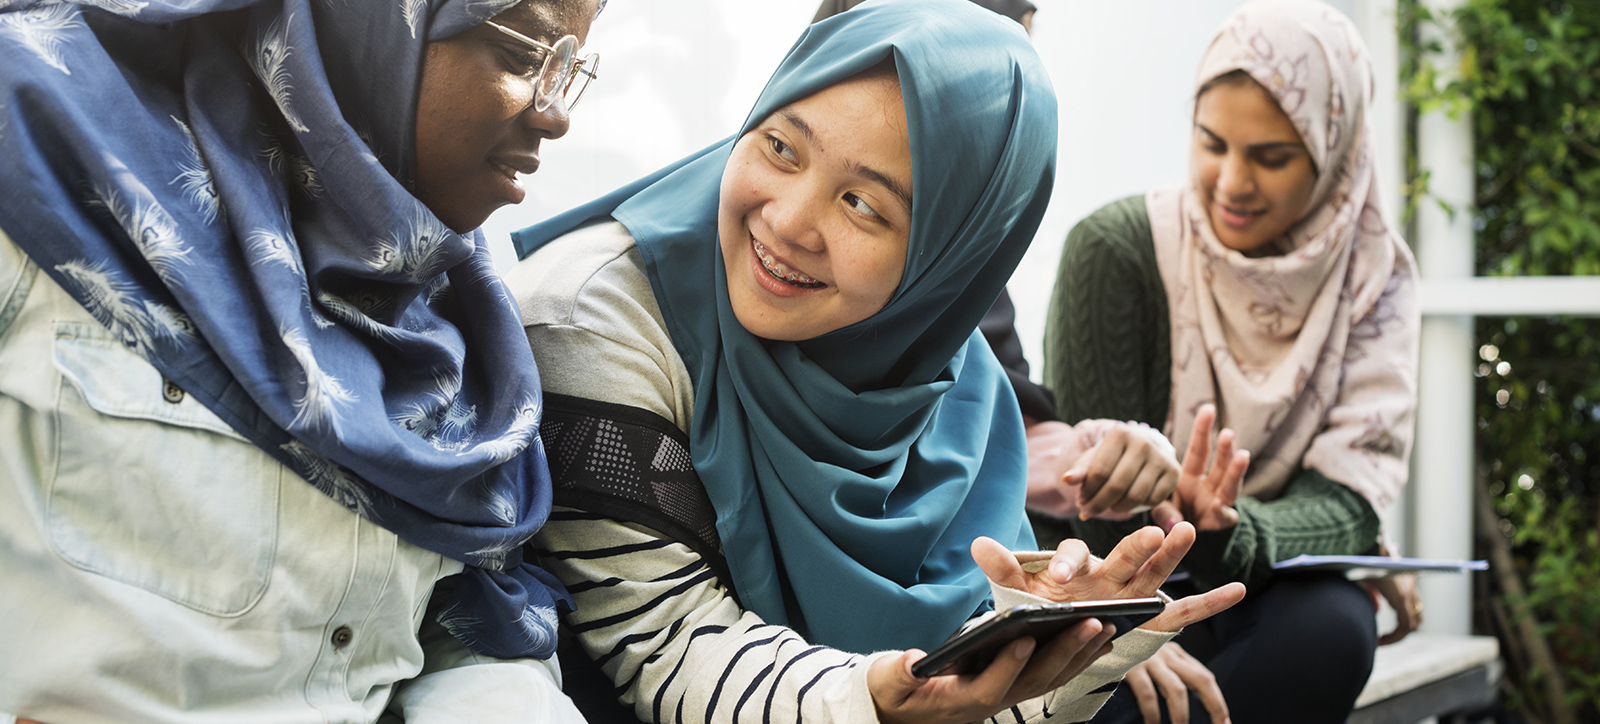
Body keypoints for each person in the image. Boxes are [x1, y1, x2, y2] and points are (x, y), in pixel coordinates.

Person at [505, 1, 1245, 722]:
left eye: (864, 205)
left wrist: (1064, 653)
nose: (788, 221)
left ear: (950, 261)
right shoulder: (594, 321)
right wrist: (880, 698)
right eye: (781, 147)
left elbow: (964, 697)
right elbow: (666, 653)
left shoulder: (959, 387)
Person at [0, 0, 602, 721]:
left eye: (572, 70)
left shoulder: (462, 321)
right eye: (522, 56)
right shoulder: (33, 145)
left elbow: (460, 626)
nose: (555, 114)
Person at [1040, 1, 1423, 722]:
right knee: (1125, 683)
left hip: (1265, 573)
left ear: (1335, 153)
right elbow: (1084, 504)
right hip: (1112, 574)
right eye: (1212, 143)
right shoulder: (1117, 251)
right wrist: (1135, 627)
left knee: (1335, 629)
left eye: (1271, 157)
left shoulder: (1375, 280)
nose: (1231, 182)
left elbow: (1349, 498)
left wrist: (1232, 532)